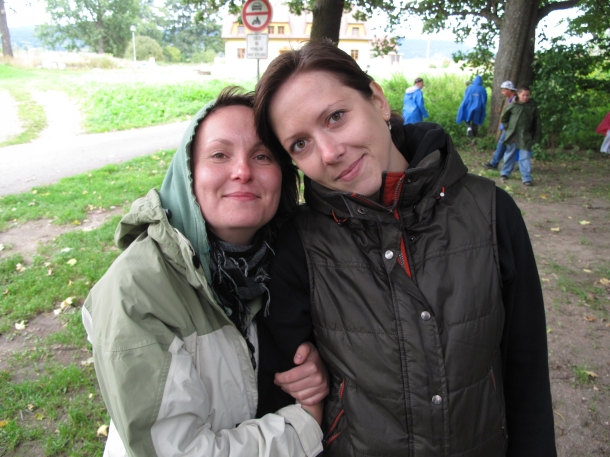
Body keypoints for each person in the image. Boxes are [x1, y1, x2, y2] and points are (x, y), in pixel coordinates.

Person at [253, 40, 556, 456]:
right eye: (300, 144)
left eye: (336, 117)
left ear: (378, 100)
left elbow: (527, 373)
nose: (330, 153)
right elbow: (288, 394)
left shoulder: (490, 212)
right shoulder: (298, 246)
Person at [82, 87, 328, 457]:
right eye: (219, 155)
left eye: (262, 155)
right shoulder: (134, 292)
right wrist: (303, 424)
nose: (243, 171)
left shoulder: (286, 265)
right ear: (189, 174)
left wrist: (313, 369)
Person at [500, 86, 542, 186]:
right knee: (509, 154)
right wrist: (508, 128)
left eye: (527, 95)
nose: (525, 97)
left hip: (525, 135)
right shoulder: (512, 105)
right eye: (523, 95)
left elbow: (537, 123)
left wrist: (536, 136)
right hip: (512, 135)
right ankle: (505, 173)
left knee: (525, 156)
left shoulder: (532, 107)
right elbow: (504, 118)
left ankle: (526, 177)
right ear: (518, 94)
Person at [483, 80, 518, 170]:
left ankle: (500, 166)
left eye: (504, 90)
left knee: (507, 147)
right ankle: (495, 163)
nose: (502, 92)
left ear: (509, 90)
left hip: (511, 128)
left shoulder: (515, 100)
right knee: (502, 145)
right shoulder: (509, 99)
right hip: (508, 127)